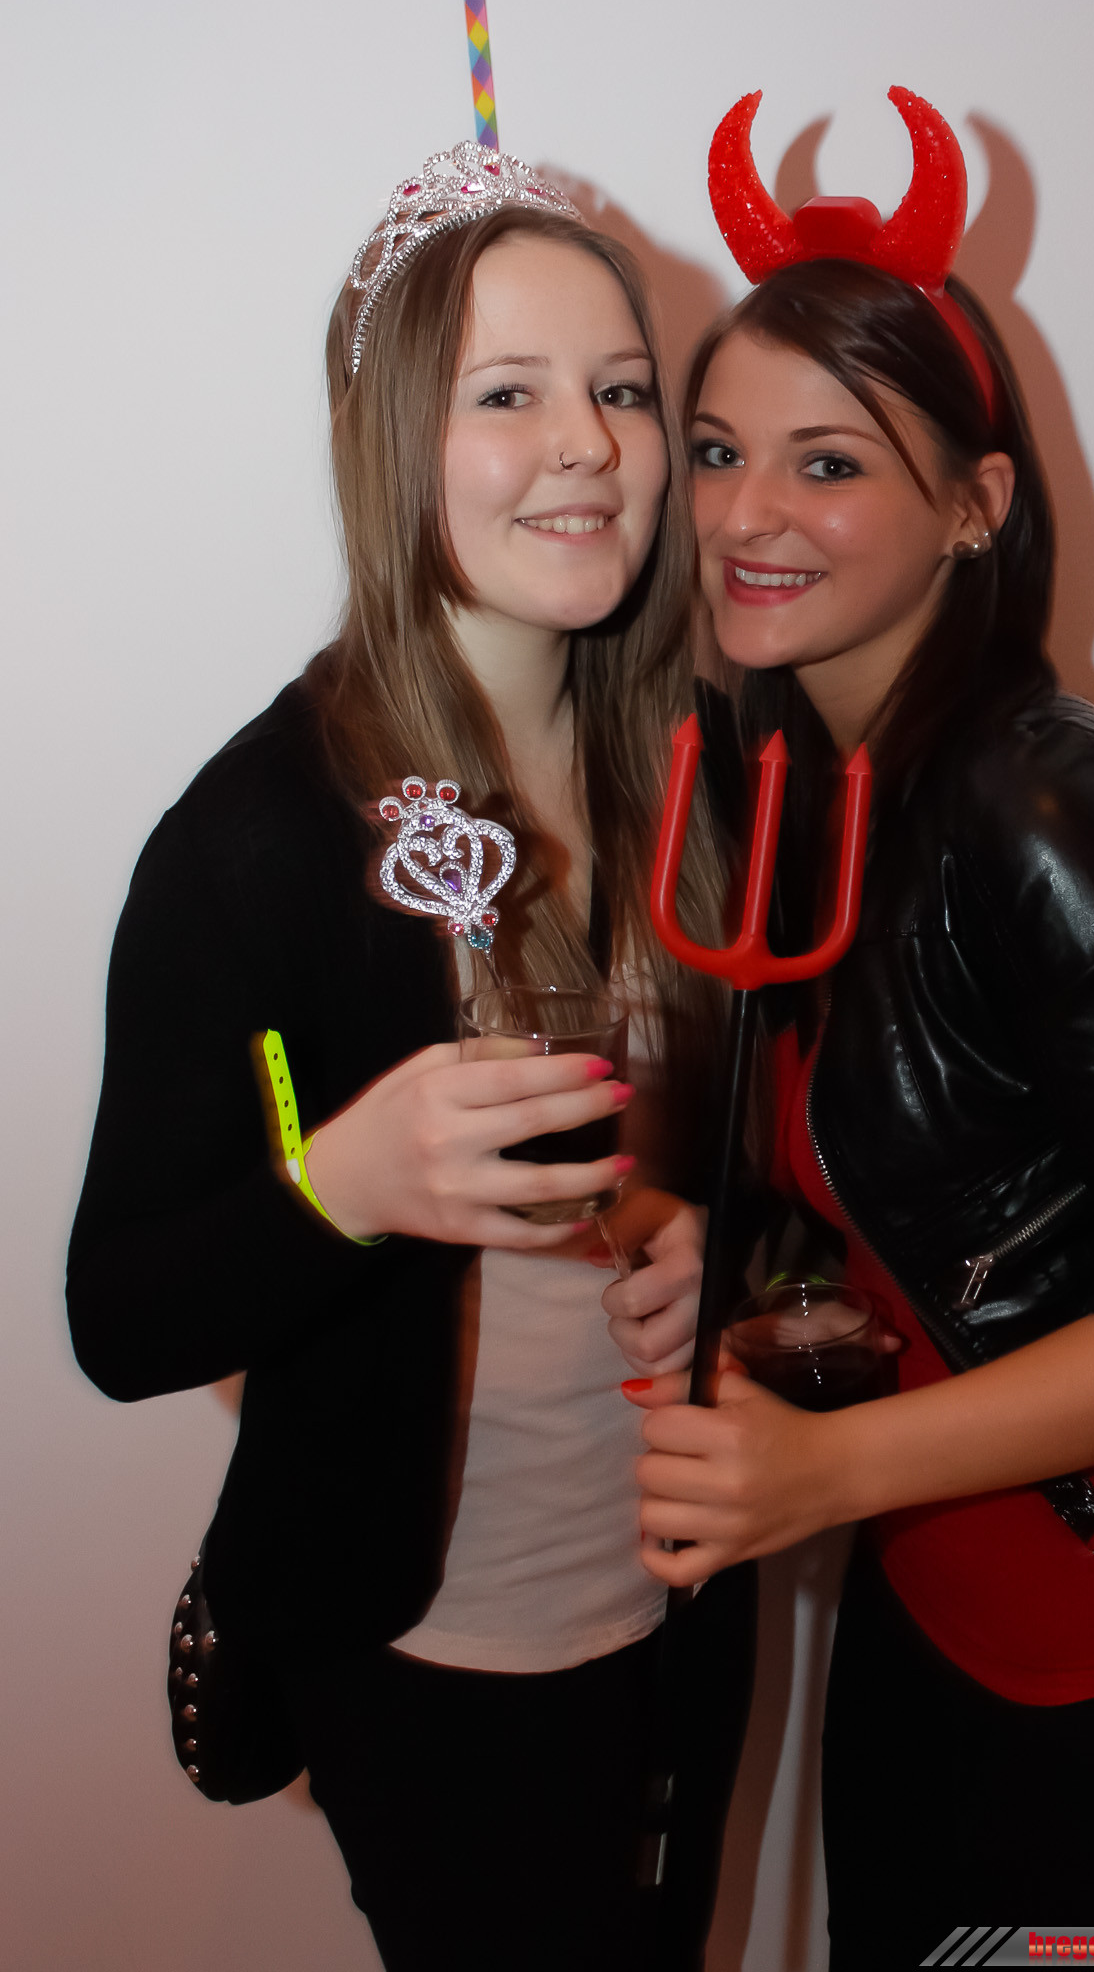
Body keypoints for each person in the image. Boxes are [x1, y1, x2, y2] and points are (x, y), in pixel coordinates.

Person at [627, 89, 1094, 1957]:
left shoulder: (1060, 819)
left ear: (975, 505)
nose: (745, 516)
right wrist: (738, 1257)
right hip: (930, 1610)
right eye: (719, 451)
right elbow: (930, 1195)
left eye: (829, 464)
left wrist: (816, 1471)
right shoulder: (796, 773)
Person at [67, 143, 753, 1972]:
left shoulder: (699, 769)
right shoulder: (254, 840)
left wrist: (696, 1234)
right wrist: (346, 1185)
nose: (589, 445)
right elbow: (119, 1320)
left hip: (689, 1583)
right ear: (391, 443)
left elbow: (738, 1146)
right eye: (507, 394)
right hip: (432, 1646)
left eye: (621, 390)